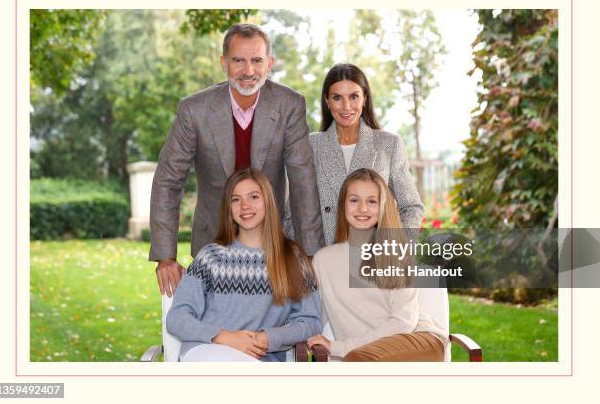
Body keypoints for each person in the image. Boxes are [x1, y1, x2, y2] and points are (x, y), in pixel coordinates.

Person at [149, 24, 324, 296]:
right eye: (238, 60)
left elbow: (303, 180)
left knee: (275, 325)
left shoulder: (289, 105)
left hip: (271, 243)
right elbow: (168, 180)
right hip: (212, 241)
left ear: (270, 63)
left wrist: (311, 254)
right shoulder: (193, 110)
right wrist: (166, 257)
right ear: (223, 63)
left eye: (256, 60)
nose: (248, 71)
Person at [166, 168, 322, 362]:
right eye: (236, 199)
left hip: (259, 358)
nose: (245, 206)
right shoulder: (211, 256)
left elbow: (310, 321)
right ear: (229, 209)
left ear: (268, 202)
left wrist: (270, 338)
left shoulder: (293, 258)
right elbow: (177, 319)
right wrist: (224, 337)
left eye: (254, 197)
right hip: (207, 351)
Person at [307, 168, 447, 361]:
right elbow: (313, 316)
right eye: (354, 200)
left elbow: (403, 322)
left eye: (371, 201)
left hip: (419, 341)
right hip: (364, 354)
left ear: (382, 206)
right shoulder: (323, 260)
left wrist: (341, 347)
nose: (362, 208)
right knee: (358, 360)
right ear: (343, 205)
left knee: (357, 361)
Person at [310, 63, 423, 245]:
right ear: (327, 101)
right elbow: (296, 211)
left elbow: (411, 206)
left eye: (354, 96)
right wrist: (309, 257)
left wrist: (396, 251)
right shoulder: (311, 146)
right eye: (337, 97)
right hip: (325, 259)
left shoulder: (389, 144)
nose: (346, 106)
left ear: (365, 98)